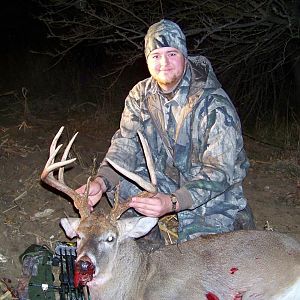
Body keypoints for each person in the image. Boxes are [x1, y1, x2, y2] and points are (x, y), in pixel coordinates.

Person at [76, 19, 255, 242]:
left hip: (209, 189)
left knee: (196, 256)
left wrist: (171, 202)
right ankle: (149, 248)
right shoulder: (140, 94)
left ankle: (236, 218)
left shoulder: (214, 104)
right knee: (120, 185)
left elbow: (221, 171)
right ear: (147, 60)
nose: (164, 63)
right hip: (167, 178)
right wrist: (101, 182)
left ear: (184, 56)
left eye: (172, 54)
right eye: (156, 55)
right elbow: (125, 144)